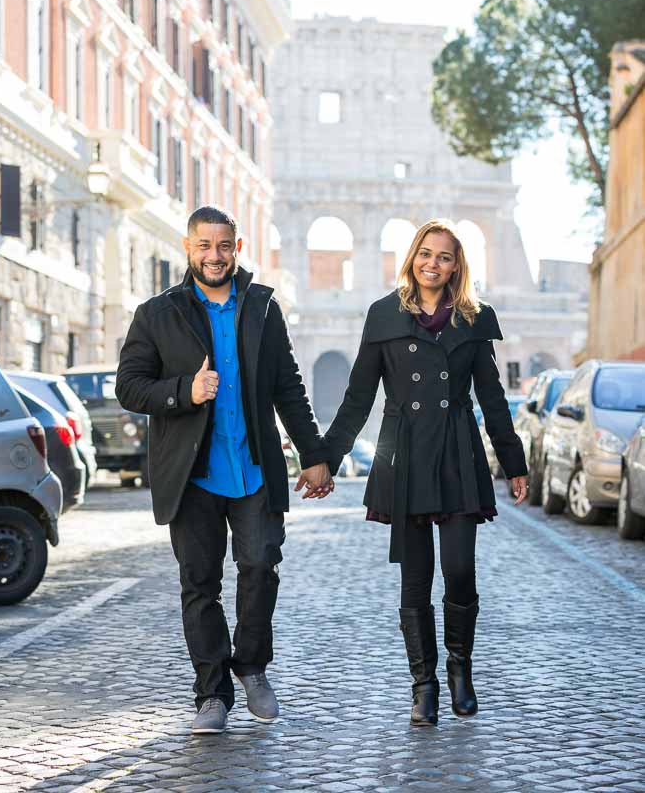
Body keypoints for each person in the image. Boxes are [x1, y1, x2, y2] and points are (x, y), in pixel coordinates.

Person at [115, 205, 333, 735]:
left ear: (237, 248)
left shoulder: (261, 308)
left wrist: (315, 454)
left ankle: (252, 665)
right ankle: (211, 694)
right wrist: (182, 392)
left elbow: (289, 387)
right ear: (188, 249)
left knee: (260, 567)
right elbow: (129, 385)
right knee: (200, 584)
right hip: (192, 476)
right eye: (204, 246)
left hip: (254, 469)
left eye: (225, 246)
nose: (215, 256)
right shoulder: (157, 313)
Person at [322, 219, 528, 727]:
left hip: (458, 450)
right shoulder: (383, 315)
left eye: (445, 256)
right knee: (414, 581)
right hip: (405, 453)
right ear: (412, 257)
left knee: (459, 570)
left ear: (458, 265)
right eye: (426, 253)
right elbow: (357, 398)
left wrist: (514, 461)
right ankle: (424, 685)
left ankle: (461, 669)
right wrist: (326, 457)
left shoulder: (474, 319)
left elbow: (492, 397)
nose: (433, 264)